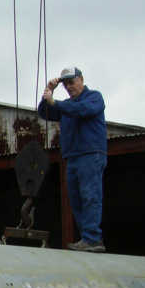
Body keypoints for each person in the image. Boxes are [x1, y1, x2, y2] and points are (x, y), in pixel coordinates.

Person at [38, 67, 107, 252]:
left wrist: (56, 102)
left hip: (90, 154)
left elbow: (82, 110)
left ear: (81, 80)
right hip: (73, 156)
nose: (69, 87)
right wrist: (49, 91)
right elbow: (44, 113)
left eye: (72, 82)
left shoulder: (94, 97)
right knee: (76, 199)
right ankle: (88, 238)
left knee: (90, 195)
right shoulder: (66, 106)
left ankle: (93, 238)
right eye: (66, 83)